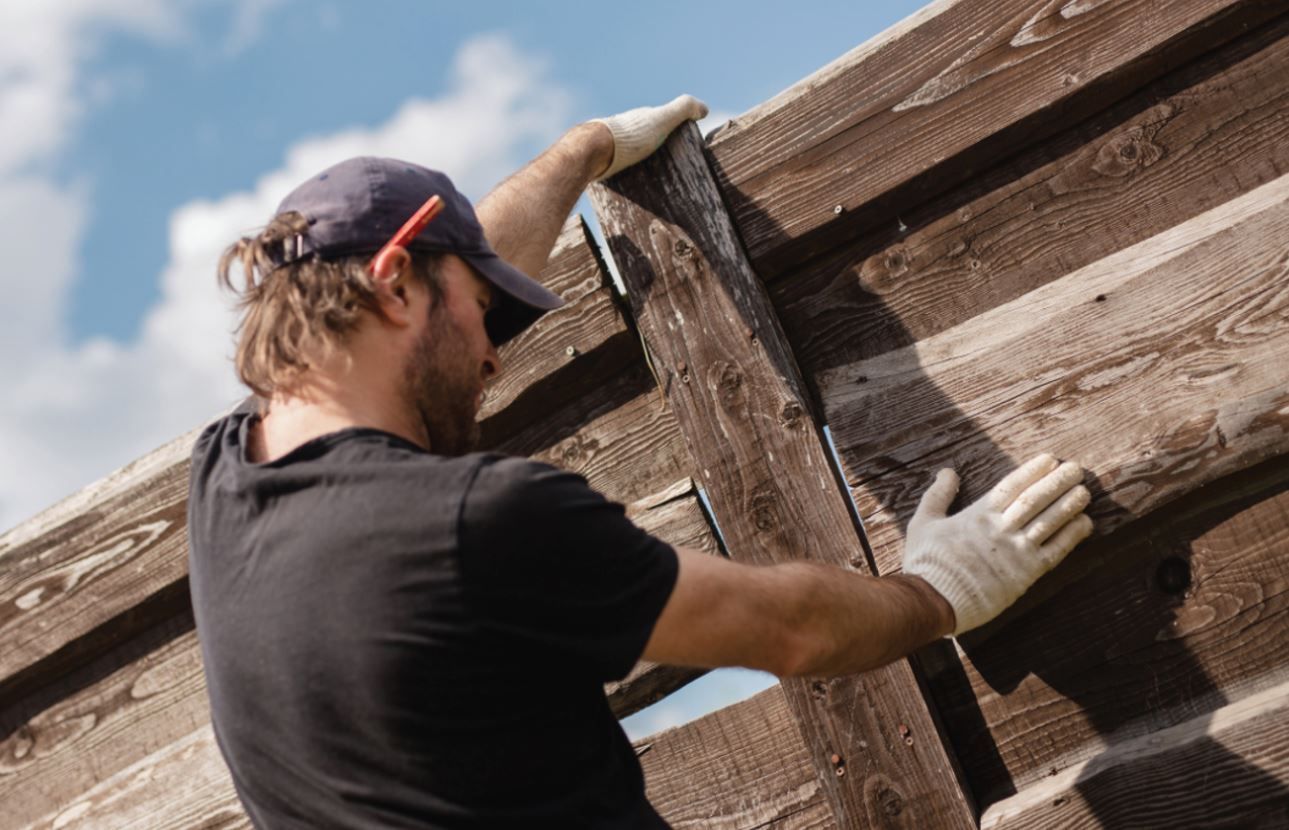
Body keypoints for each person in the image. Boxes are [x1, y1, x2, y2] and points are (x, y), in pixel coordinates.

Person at [187, 94, 1093, 829]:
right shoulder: (476, 522)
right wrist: (936, 592)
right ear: (391, 284)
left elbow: (449, 274)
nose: (495, 353)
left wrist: (583, 151)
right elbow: (789, 630)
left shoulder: (225, 479)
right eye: (476, 311)